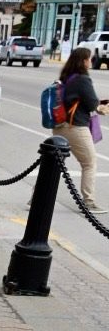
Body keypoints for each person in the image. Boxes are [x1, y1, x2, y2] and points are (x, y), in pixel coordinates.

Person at [58, 46, 108, 214]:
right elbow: (93, 104)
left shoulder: (67, 77)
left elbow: (78, 99)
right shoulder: (83, 79)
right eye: (89, 58)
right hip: (76, 127)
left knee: (53, 164)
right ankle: (89, 202)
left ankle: (35, 198)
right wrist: (103, 108)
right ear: (83, 61)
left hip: (59, 128)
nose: (90, 61)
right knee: (89, 163)